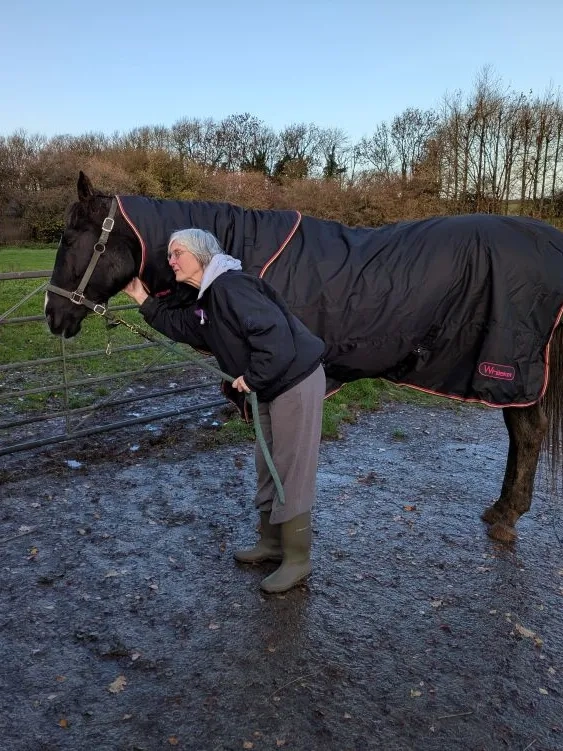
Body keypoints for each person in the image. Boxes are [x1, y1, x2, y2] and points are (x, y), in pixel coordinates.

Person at [122, 228, 326, 593]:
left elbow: (274, 335)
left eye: (177, 253)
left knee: (290, 467)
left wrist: (254, 376)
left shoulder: (232, 287)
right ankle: (272, 543)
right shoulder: (209, 297)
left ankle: (298, 559)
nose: (171, 261)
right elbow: (185, 327)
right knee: (268, 463)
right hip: (269, 384)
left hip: (294, 380)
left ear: (201, 254)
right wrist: (141, 298)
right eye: (169, 254)